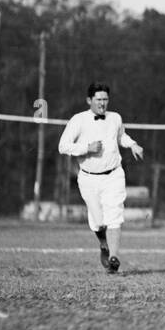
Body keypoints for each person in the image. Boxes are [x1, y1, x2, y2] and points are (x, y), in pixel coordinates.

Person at [56, 82, 144, 274]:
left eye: (105, 99)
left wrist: (133, 144)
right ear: (89, 100)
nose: (103, 104)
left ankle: (114, 257)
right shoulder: (78, 120)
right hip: (88, 178)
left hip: (114, 175)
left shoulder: (115, 118)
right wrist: (86, 147)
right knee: (97, 221)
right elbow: (63, 146)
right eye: (99, 100)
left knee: (115, 216)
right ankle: (103, 244)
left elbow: (121, 136)